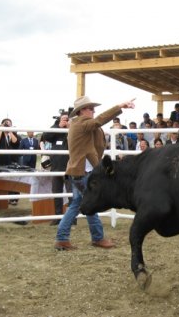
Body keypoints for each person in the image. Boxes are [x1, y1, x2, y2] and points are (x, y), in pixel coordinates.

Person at [54, 96, 135, 251]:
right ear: (82, 111)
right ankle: (87, 238)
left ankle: (66, 238)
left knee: (80, 204)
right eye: (90, 108)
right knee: (84, 204)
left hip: (81, 171)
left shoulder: (80, 124)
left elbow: (96, 133)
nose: (93, 110)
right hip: (83, 172)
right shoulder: (82, 123)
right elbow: (99, 121)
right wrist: (119, 106)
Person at [41, 112, 72, 226]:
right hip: (55, 167)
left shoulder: (73, 128)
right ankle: (57, 216)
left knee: (70, 193)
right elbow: (46, 136)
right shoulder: (55, 129)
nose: (65, 120)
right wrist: (59, 126)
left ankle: (72, 218)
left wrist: (70, 128)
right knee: (56, 193)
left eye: (67, 119)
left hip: (68, 167)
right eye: (63, 119)